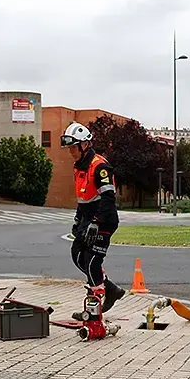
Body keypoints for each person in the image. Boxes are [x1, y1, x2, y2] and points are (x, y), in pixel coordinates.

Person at [60, 122, 126, 315]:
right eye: (69, 147)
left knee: (92, 262)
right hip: (87, 218)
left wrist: (97, 222)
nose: (71, 151)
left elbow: (108, 198)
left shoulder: (100, 166)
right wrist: (77, 220)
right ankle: (111, 290)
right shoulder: (78, 166)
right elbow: (83, 198)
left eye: (74, 147)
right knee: (77, 255)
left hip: (104, 219)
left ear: (85, 145)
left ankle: (94, 312)